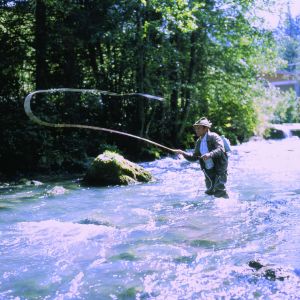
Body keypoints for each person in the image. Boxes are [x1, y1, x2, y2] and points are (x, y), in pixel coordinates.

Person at [175, 117, 228, 198]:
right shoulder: (199, 142)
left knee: (219, 189)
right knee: (210, 191)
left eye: (198, 128)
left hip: (219, 167)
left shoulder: (214, 136)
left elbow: (220, 149)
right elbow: (194, 157)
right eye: (196, 128)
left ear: (206, 128)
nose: (196, 130)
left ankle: (227, 205)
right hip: (208, 169)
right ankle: (214, 208)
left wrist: (209, 154)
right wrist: (183, 153)